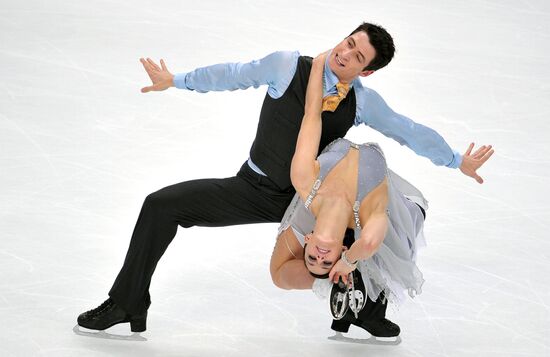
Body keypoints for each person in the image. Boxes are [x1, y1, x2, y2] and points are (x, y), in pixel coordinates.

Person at [77, 22, 493, 336]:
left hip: (306, 200)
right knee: (160, 205)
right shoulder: (287, 66)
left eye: (359, 57)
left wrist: (455, 159)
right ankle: (128, 301)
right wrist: (178, 80)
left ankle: (361, 310)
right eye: (349, 43)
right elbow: (232, 73)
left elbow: (407, 129)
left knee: (362, 227)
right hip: (253, 189)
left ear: (367, 71)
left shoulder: (362, 101)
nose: (347, 54)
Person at [270, 52, 478, 337]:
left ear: (307, 240)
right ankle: (340, 287)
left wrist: (319, 66)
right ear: (339, 251)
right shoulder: (369, 210)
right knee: (399, 229)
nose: (319, 257)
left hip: (320, 208)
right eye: (325, 262)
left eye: (312, 259)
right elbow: (368, 241)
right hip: (375, 210)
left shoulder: (305, 180)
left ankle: (340, 289)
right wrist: (347, 263)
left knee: (278, 273)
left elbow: (311, 116)